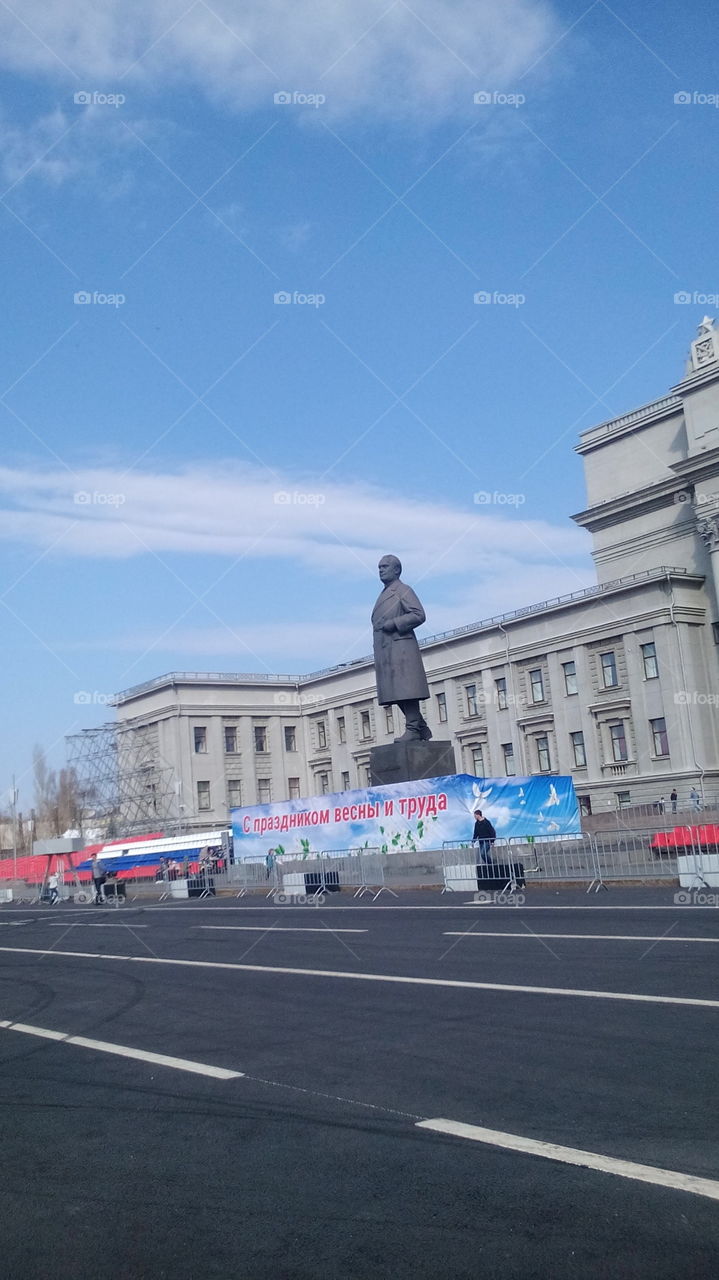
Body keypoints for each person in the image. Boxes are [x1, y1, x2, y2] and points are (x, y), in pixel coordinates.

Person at [371, 555, 431, 742]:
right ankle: (420, 727)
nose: (381, 570)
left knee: (406, 690)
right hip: (387, 652)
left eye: (385, 566)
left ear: (396, 570)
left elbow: (419, 614)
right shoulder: (385, 592)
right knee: (396, 692)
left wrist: (395, 623)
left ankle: (413, 729)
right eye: (379, 567)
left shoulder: (402, 590)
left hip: (401, 649)